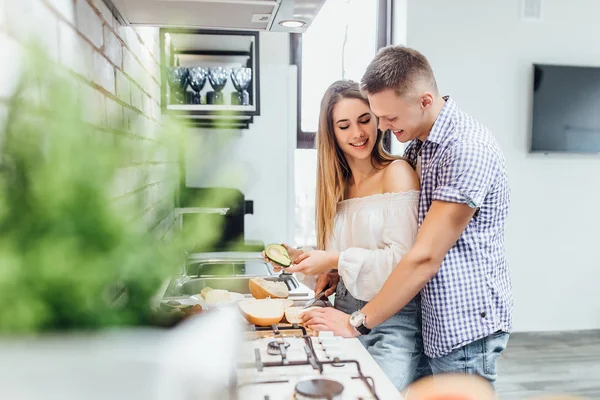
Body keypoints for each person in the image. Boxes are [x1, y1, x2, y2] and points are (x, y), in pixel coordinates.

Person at [295, 45, 513, 387]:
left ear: (424, 101)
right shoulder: (418, 146)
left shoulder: (467, 150)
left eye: (385, 118)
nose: (379, 127)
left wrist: (356, 322)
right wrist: (338, 269)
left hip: (463, 324)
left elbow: (424, 256)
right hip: (429, 320)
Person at [264, 80, 424, 390]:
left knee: (375, 393)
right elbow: (342, 269)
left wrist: (335, 258)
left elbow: (403, 263)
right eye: (344, 125)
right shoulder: (336, 188)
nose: (358, 133)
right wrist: (305, 260)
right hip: (342, 310)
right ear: (332, 134)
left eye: (365, 120)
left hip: (393, 323)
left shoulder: (398, 173)